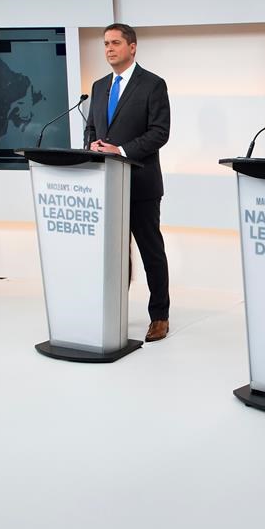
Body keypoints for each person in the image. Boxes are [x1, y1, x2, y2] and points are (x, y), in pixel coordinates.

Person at [84, 23, 172, 342]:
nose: (109, 48)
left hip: (141, 185)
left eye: (116, 43)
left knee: (151, 252)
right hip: (107, 186)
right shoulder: (98, 86)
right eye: (106, 43)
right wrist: (91, 147)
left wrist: (120, 151)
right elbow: (92, 129)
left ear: (132, 47)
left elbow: (160, 132)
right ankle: (115, 312)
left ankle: (159, 315)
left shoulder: (152, 85)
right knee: (115, 255)